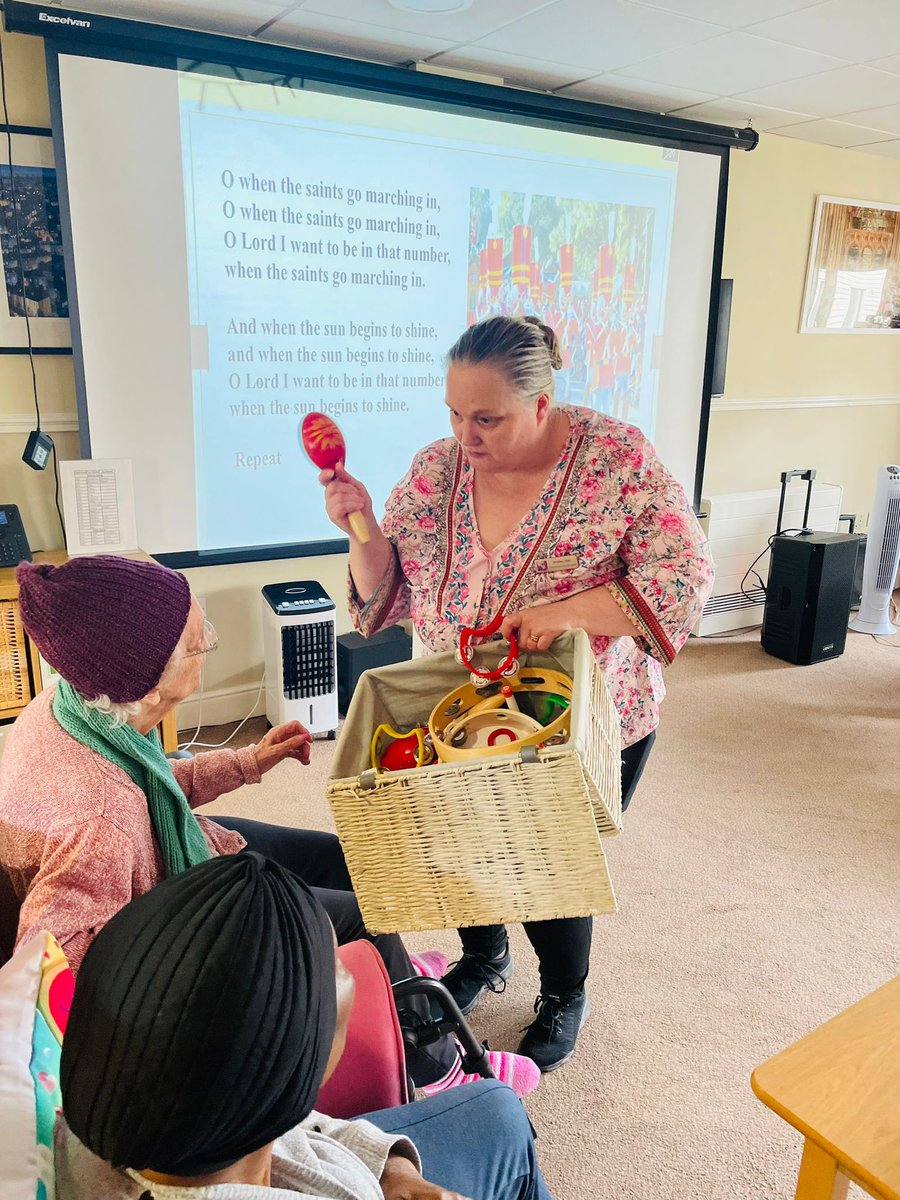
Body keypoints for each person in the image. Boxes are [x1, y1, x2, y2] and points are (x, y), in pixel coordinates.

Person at [321, 314, 715, 1072]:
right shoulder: (438, 470)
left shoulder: (617, 460)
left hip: (586, 715)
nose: (466, 435)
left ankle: (566, 992)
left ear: (542, 403)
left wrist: (567, 612)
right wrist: (359, 527)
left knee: (548, 866)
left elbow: (682, 577)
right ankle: (486, 951)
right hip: (458, 711)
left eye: (487, 418)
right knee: (463, 852)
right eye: (455, 413)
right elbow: (385, 592)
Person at [0, 554, 538, 1097]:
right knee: (362, 922)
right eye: (198, 639)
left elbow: (149, 785)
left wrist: (248, 761)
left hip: (166, 843)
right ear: (146, 689)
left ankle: (390, 981)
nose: (210, 640)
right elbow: (49, 965)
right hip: (167, 906)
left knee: (340, 858)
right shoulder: (101, 823)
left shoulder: (77, 699)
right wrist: (192, 957)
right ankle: (440, 1065)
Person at [54, 852, 554, 1200]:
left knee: (498, 1110)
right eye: (335, 969)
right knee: (502, 1114)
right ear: (293, 1071)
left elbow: (292, 1127)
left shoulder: (171, 1118)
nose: (344, 964)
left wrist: (391, 1167)